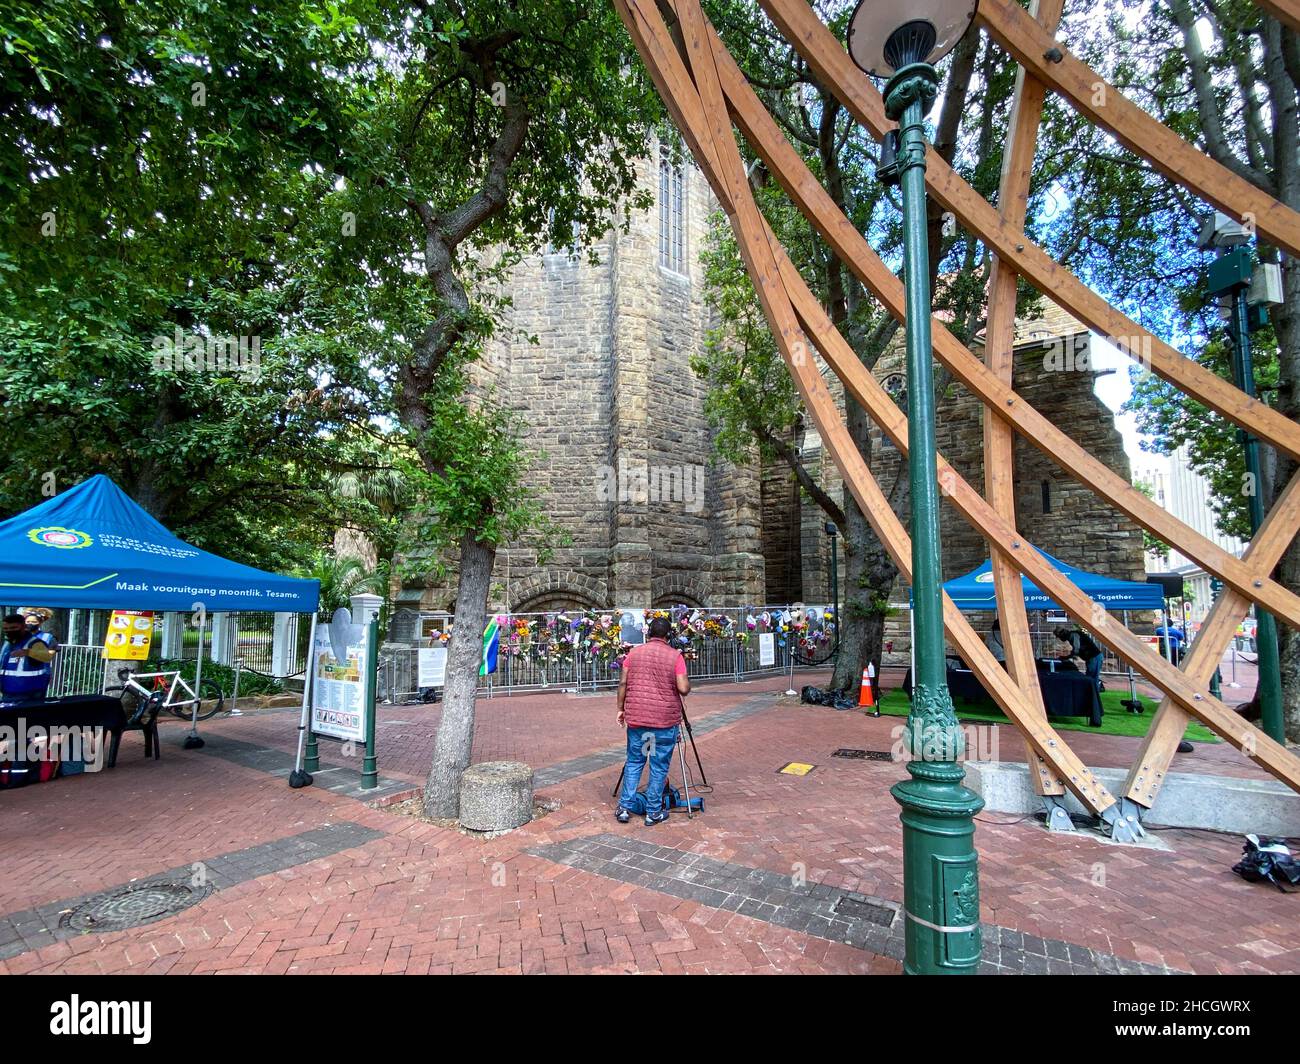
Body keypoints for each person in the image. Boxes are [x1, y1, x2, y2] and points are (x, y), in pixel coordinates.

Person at [615, 615, 690, 826]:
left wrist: (620, 709)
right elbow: (683, 688)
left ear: (648, 633)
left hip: (638, 719)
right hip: (663, 722)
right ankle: (653, 811)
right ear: (668, 635)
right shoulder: (675, 656)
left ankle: (624, 807)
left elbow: (623, 683)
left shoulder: (633, 653)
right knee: (658, 765)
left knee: (635, 761)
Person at [1, 613, 55, 706]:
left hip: (28, 694)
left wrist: (28, 652)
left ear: (24, 626)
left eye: (14, 628)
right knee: (10, 719)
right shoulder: (7, 643)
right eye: (6, 629)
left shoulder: (34, 642)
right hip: (8, 693)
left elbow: (47, 656)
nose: (9, 631)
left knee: (23, 720)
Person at [1054, 625, 1104, 689]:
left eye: (1059, 637)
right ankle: (1092, 694)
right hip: (1092, 658)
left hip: (1094, 657)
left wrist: (1065, 657)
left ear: (1062, 634)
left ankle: (1094, 695)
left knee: (1092, 678)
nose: (1060, 639)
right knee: (1091, 677)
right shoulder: (1072, 635)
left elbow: (1076, 650)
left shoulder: (1073, 635)